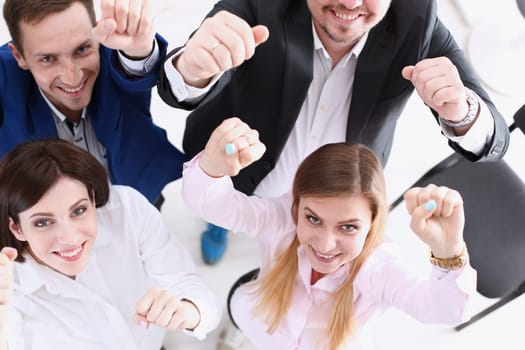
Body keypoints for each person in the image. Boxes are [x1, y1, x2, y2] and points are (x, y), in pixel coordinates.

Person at [156, 0, 510, 265]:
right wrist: (191, 70)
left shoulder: (417, 22)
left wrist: (463, 113)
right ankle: (220, 227)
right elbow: (178, 85)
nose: (351, 4)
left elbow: (494, 140)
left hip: (333, 193)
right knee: (224, 210)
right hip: (241, 172)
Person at [182, 117, 477, 350]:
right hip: (262, 320)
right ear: (296, 207)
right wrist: (212, 167)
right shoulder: (282, 219)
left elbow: (444, 311)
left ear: (373, 222)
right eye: (313, 218)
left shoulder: (379, 267)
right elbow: (213, 204)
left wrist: (449, 249)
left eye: (348, 227)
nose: (324, 245)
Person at [0, 138, 222, 350]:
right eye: (43, 222)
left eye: (79, 211)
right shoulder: (9, 284)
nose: (70, 238)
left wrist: (187, 312)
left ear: (93, 199)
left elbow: (193, 289)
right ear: (17, 228)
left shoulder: (127, 211)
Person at [0, 0, 185, 207]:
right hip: (53, 219)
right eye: (47, 59)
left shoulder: (114, 51)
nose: (72, 77)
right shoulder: (5, 77)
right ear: (19, 56)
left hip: (136, 195)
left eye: (82, 49)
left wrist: (140, 49)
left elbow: (137, 66)